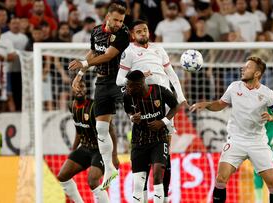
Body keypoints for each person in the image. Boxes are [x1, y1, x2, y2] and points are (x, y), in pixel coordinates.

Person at [190, 56, 273, 203]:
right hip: (236, 141)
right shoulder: (234, 87)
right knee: (221, 179)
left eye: (247, 67)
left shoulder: (267, 94)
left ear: (257, 74)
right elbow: (220, 104)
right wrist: (207, 104)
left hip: (257, 143)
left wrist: (272, 118)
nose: (243, 69)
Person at [116, 20, 187, 202]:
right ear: (133, 35)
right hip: (144, 102)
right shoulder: (129, 52)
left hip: (164, 101)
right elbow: (119, 80)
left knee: (163, 155)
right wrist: (138, 79)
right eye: (138, 31)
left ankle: (162, 197)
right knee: (144, 156)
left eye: (145, 29)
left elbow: (172, 75)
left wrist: (180, 97)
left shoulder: (159, 49)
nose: (142, 33)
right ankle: (144, 196)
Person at [68, 3, 129, 190]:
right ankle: (110, 166)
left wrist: (84, 63)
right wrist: (79, 75)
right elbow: (94, 52)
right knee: (102, 127)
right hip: (101, 83)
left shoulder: (123, 33)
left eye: (121, 20)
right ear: (107, 16)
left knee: (137, 116)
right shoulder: (96, 32)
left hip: (120, 81)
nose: (119, 23)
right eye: (116, 19)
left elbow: (108, 56)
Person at [57, 80, 119, 203]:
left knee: (92, 181)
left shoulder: (94, 107)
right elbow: (79, 130)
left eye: (82, 86)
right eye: (77, 86)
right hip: (85, 147)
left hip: (100, 150)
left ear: (86, 89)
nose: (79, 89)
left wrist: (114, 155)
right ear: (72, 89)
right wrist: (73, 150)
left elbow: (111, 130)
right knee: (62, 176)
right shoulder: (72, 106)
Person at [123, 70, 179, 203]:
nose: (127, 88)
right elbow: (128, 111)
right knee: (138, 183)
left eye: (130, 85)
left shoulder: (160, 91)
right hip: (139, 141)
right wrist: (132, 117)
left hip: (159, 139)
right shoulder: (127, 96)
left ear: (139, 85)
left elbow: (175, 106)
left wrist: (162, 122)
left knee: (158, 175)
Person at [254, 109, 273, 203]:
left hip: (272, 141)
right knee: (257, 171)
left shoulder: (269, 101)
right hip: (257, 142)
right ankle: (259, 201)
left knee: (269, 172)